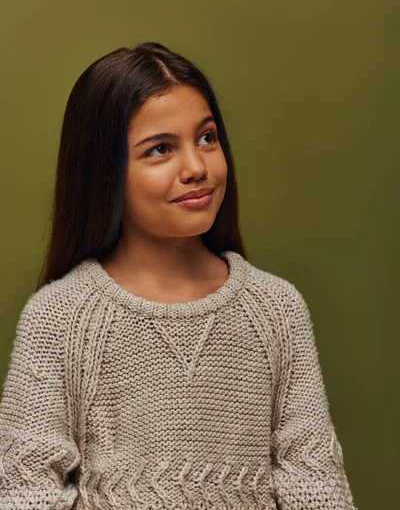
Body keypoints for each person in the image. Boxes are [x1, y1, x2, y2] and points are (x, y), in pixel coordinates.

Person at [0, 42, 357, 510]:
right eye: (161, 149)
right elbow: (27, 489)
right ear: (105, 172)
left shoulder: (276, 308)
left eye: (207, 138)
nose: (196, 167)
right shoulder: (60, 317)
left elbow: (314, 479)